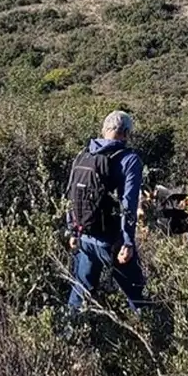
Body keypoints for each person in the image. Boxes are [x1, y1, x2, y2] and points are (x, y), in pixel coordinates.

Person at [65, 110, 148, 312]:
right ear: (127, 133)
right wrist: (127, 242)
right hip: (112, 241)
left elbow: (70, 194)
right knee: (137, 294)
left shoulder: (83, 155)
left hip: (84, 236)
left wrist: (73, 231)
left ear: (104, 130)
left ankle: (66, 337)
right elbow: (128, 203)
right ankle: (156, 338)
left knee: (80, 292)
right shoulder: (130, 160)